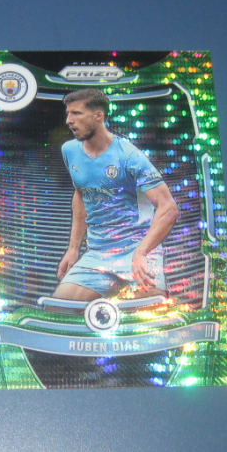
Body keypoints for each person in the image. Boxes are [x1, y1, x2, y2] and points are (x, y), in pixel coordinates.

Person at [54, 88, 180, 303]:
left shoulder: (129, 155)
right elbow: (82, 194)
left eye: (76, 113)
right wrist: (73, 249)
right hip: (98, 253)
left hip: (137, 247)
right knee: (58, 309)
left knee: (150, 315)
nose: (69, 120)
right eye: (68, 113)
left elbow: (169, 208)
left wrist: (142, 252)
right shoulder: (69, 150)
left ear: (98, 116)